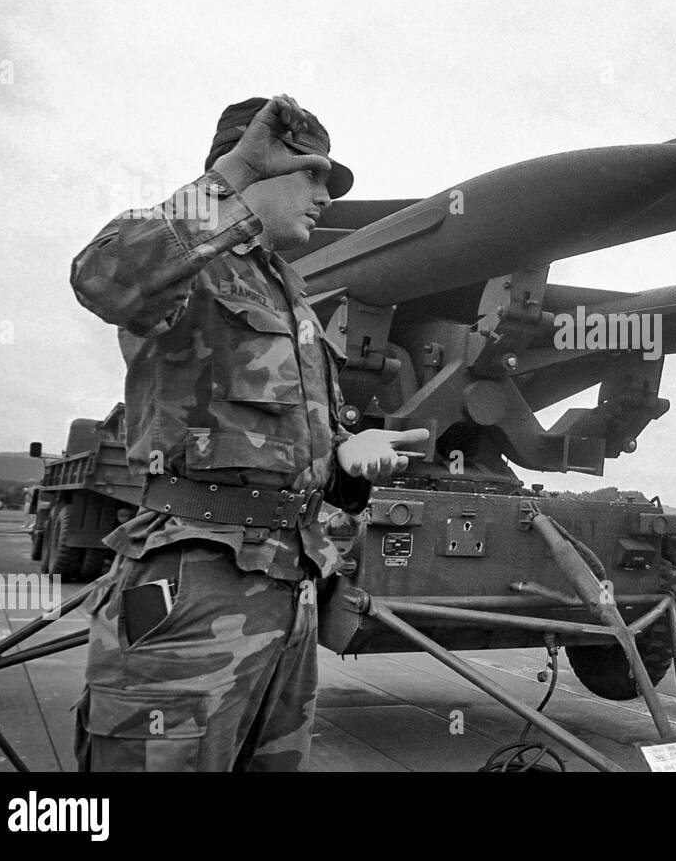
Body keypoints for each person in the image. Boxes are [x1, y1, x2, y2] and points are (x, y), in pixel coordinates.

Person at [69, 95, 426, 771]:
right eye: (312, 174)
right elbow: (100, 279)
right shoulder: (193, 266)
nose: (326, 195)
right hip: (194, 594)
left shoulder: (288, 293)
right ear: (255, 167)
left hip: (286, 590)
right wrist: (230, 174)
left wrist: (347, 461)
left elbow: (282, 447)